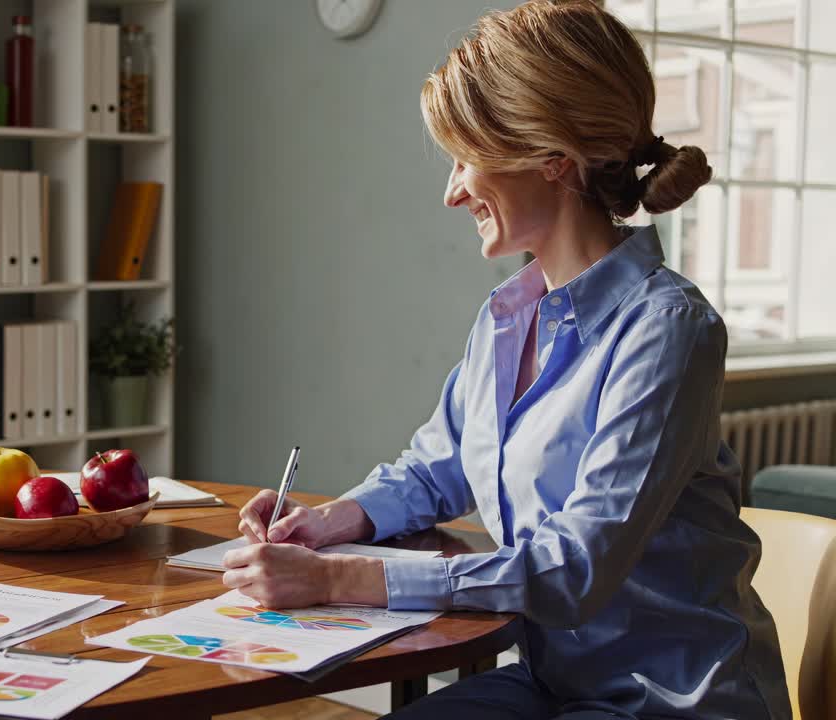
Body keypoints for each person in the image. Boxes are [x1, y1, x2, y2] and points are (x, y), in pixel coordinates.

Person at [225, 1, 791, 718]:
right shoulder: (508, 319)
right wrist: (330, 521)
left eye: (467, 159)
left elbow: (575, 568)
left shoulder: (669, 330)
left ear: (552, 158)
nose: (452, 190)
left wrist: (336, 579)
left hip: (671, 702)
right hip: (557, 684)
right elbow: (442, 465)